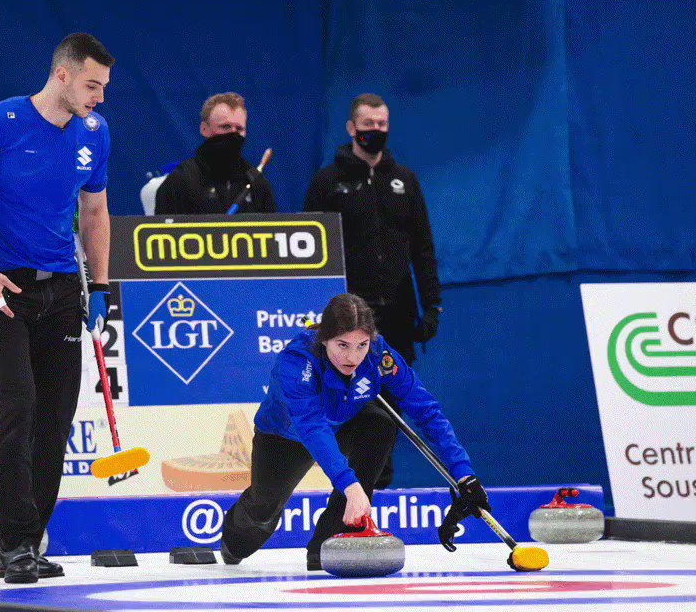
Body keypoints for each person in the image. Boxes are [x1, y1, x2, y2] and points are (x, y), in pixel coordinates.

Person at [0, 33, 114, 584]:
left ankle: (33, 542)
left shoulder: (95, 133)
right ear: (62, 75)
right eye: (92, 85)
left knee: (55, 421)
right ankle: (12, 543)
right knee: (19, 411)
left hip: (62, 290)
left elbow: (96, 210)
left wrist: (100, 288)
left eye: (104, 87)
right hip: (2, 292)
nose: (99, 97)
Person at [220, 293, 487, 570]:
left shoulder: (377, 356)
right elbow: (311, 426)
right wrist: (349, 484)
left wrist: (464, 474)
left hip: (344, 424)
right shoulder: (297, 361)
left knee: (381, 424)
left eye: (361, 345)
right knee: (259, 516)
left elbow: (426, 410)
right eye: (342, 345)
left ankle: (331, 539)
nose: (353, 357)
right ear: (324, 339)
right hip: (287, 436)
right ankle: (233, 542)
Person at [304, 93, 443, 488]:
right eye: (367, 125)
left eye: (382, 125)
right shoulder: (327, 182)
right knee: (346, 393)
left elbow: (423, 247)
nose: (375, 132)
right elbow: (308, 250)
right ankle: (347, 482)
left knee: (394, 395)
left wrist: (431, 305)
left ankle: (380, 483)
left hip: (397, 311)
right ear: (351, 128)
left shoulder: (405, 181)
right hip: (348, 317)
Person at [154, 92, 277, 214]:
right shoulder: (181, 180)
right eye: (225, 127)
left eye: (239, 129)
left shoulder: (257, 183)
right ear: (204, 129)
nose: (233, 134)